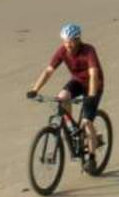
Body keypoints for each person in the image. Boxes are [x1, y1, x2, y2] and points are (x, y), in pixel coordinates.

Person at [28, 22, 103, 160]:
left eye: (70, 42)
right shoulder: (62, 51)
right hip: (78, 82)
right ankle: (72, 129)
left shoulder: (88, 51)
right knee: (62, 97)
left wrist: (91, 95)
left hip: (94, 84)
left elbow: (93, 74)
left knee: (87, 121)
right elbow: (48, 71)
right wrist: (35, 89)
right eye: (65, 41)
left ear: (78, 40)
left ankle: (92, 158)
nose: (67, 45)